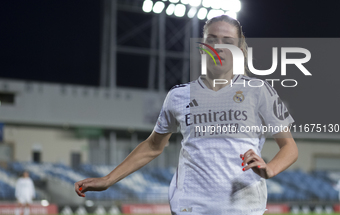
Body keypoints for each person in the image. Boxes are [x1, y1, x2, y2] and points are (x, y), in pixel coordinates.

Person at [75, 15, 298, 214]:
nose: (218, 46)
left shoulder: (259, 92)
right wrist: (108, 179)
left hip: (243, 206)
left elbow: (289, 147)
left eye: (227, 41)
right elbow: (153, 146)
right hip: (189, 206)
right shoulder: (178, 96)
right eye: (212, 39)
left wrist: (270, 169)